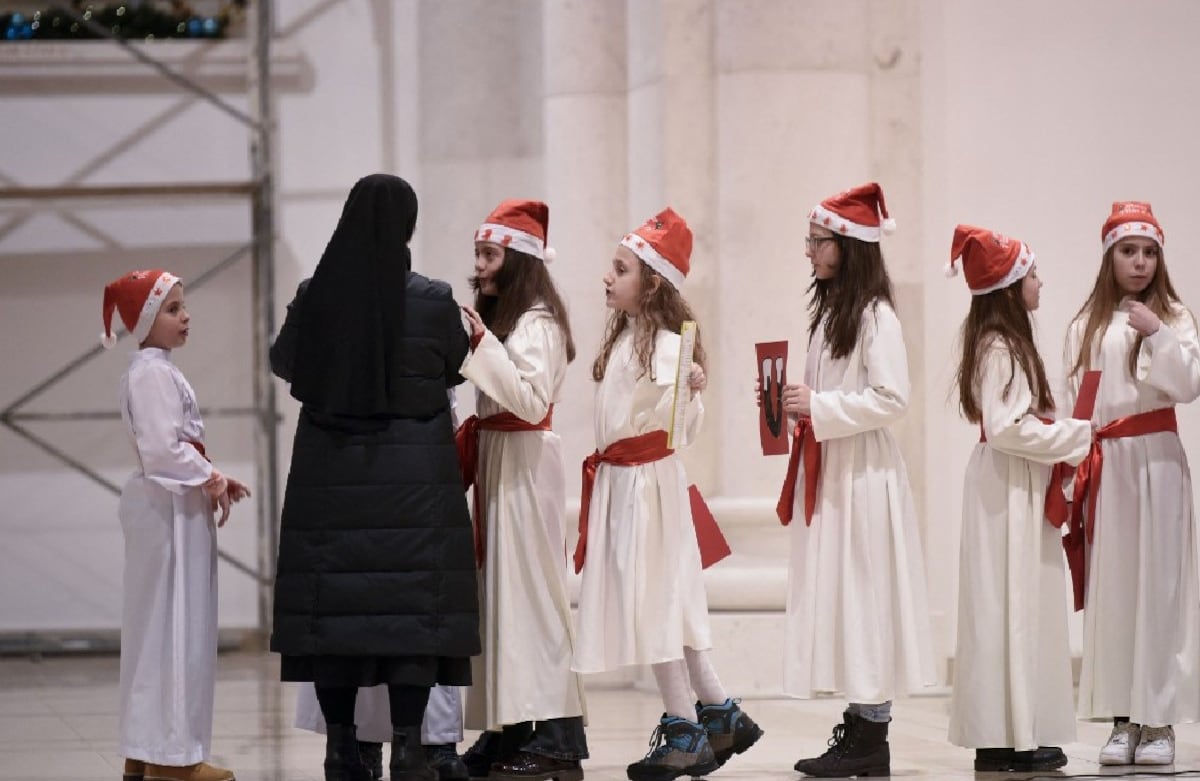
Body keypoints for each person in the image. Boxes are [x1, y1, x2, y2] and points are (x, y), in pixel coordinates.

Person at [269, 174, 480, 781]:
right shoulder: (434, 299)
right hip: (417, 485)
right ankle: (409, 747)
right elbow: (455, 364)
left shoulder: (316, 296)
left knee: (336, 620)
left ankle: (341, 748)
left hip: (331, 479)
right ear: (408, 226)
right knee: (413, 619)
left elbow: (285, 361)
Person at [573, 208, 762, 781]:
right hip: (629, 482)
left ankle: (685, 728)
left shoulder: (662, 343)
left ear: (653, 283)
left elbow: (678, 427)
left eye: (620, 269)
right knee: (666, 600)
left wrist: (690, 389)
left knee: (657, 602)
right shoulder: (631, 335)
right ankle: (720, 713)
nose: (607, 277)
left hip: (646, 487)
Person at [775, 183, 935, 777]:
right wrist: (792, 402)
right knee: (846, 594)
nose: (809, 251)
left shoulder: (875, 315)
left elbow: (893, 398)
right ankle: (861, 726)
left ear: (849, 246)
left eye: (817, 241)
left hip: (864, 471)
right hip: (835, 467)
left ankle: (871, 735)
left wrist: (819, 405)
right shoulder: (832, 315)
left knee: (866, 592)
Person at [944, 225, 1091, 772]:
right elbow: (1007, 428)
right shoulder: (1000, 347)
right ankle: (1010, 737)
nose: (1041, 283)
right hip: (1007, 488)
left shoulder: (999, 344)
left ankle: (1008, 734)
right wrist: (1073, 435)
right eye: (1033, 274)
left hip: (1010, 484)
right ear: (1009, 288)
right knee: (1009, 604)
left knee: (1008, 605)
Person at [455, 200, 589, 781]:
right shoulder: (515, 321)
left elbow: (530, 400)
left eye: (489, 255)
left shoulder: (539, 323)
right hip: (499, 460)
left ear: (519, 260)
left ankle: (558, 741)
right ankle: (508, 728)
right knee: (501, 601)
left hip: (526, 464)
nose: (480, 267)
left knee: (534, 599)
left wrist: (481, 342)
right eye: (478, 255)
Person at [1065, 201, 1200, 766]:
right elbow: (1079, 401)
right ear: (1109, 257)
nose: (1140, 262)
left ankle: (1159, 721)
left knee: (1160, 588)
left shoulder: (1175, 316)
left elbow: (1188, 385)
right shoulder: (1086, 325)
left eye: (1149, 252)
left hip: (1158, 463)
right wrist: (1072, 468)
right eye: (1128, 251)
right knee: (1115, 590)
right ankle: (1122, 719)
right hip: (1109, 466)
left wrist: (1159, 335)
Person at [102, 269, 250, 781]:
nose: (186, 316)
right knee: (175, 628)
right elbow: (163, 450)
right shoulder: (151, 374)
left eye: (184, 307)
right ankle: (173, 758)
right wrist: (211, 476)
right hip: (169, 512)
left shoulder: (155, 370)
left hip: (171, 507)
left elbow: (170, 448)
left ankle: (145, 752)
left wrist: (210, 476)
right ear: (145, 320)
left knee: (157, 630)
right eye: (172, 309)